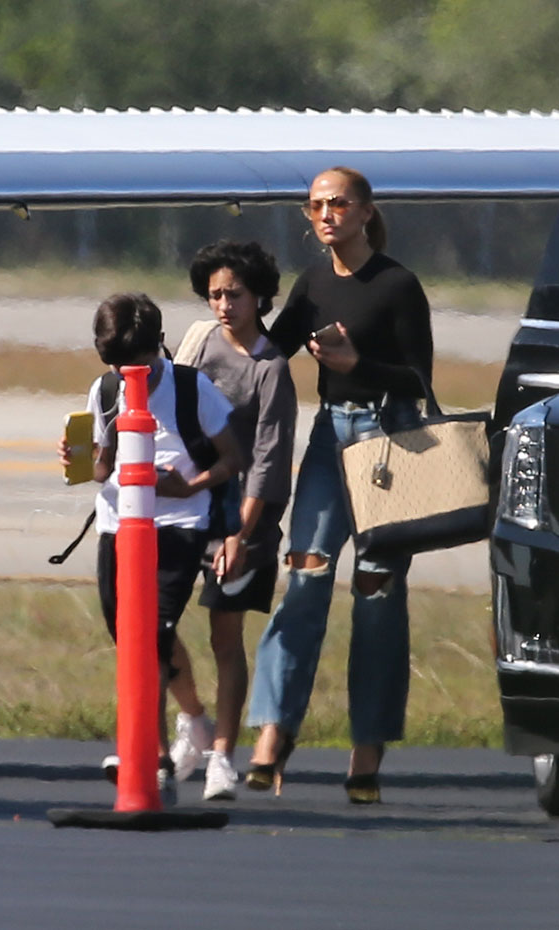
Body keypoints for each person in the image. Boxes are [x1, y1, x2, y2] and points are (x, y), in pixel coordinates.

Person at [245, 166, 433, 802]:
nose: (327, 214)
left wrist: (359, 365)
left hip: (391, 436)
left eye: (339, 203)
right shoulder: (314, 281)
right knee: (307, 574)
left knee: (378, 589)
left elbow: (420, 381)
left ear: (365, 210)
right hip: (330, 436)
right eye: (317, 205)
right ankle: (273, 735)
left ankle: (367, 749)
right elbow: (269, 352)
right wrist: (224, 322)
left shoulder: (398, 285)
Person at [58, 292, 239, 806]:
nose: (125, 372)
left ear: (158, 345)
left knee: (152, 637)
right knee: (128, 635)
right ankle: (195, 720)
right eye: (114, 362)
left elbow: (233, 457)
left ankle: (150, 757)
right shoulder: (106, 388)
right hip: (119, 523)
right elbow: (100, 466)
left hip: (180, 523)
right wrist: (78, 458)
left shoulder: (190, 388)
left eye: (135, 363)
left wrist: (190, 485)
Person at [167, 240, 297, 801]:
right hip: (189, 508)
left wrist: (241, 535)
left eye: (235, 294)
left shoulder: (271, 369)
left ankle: (222, 753)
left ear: (260, 297)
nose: (223, 304)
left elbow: (269, 457)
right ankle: (192, 721)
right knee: (155, 627)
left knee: (226, 636)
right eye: (215, 294)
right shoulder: (197, 347)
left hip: (242, 520)